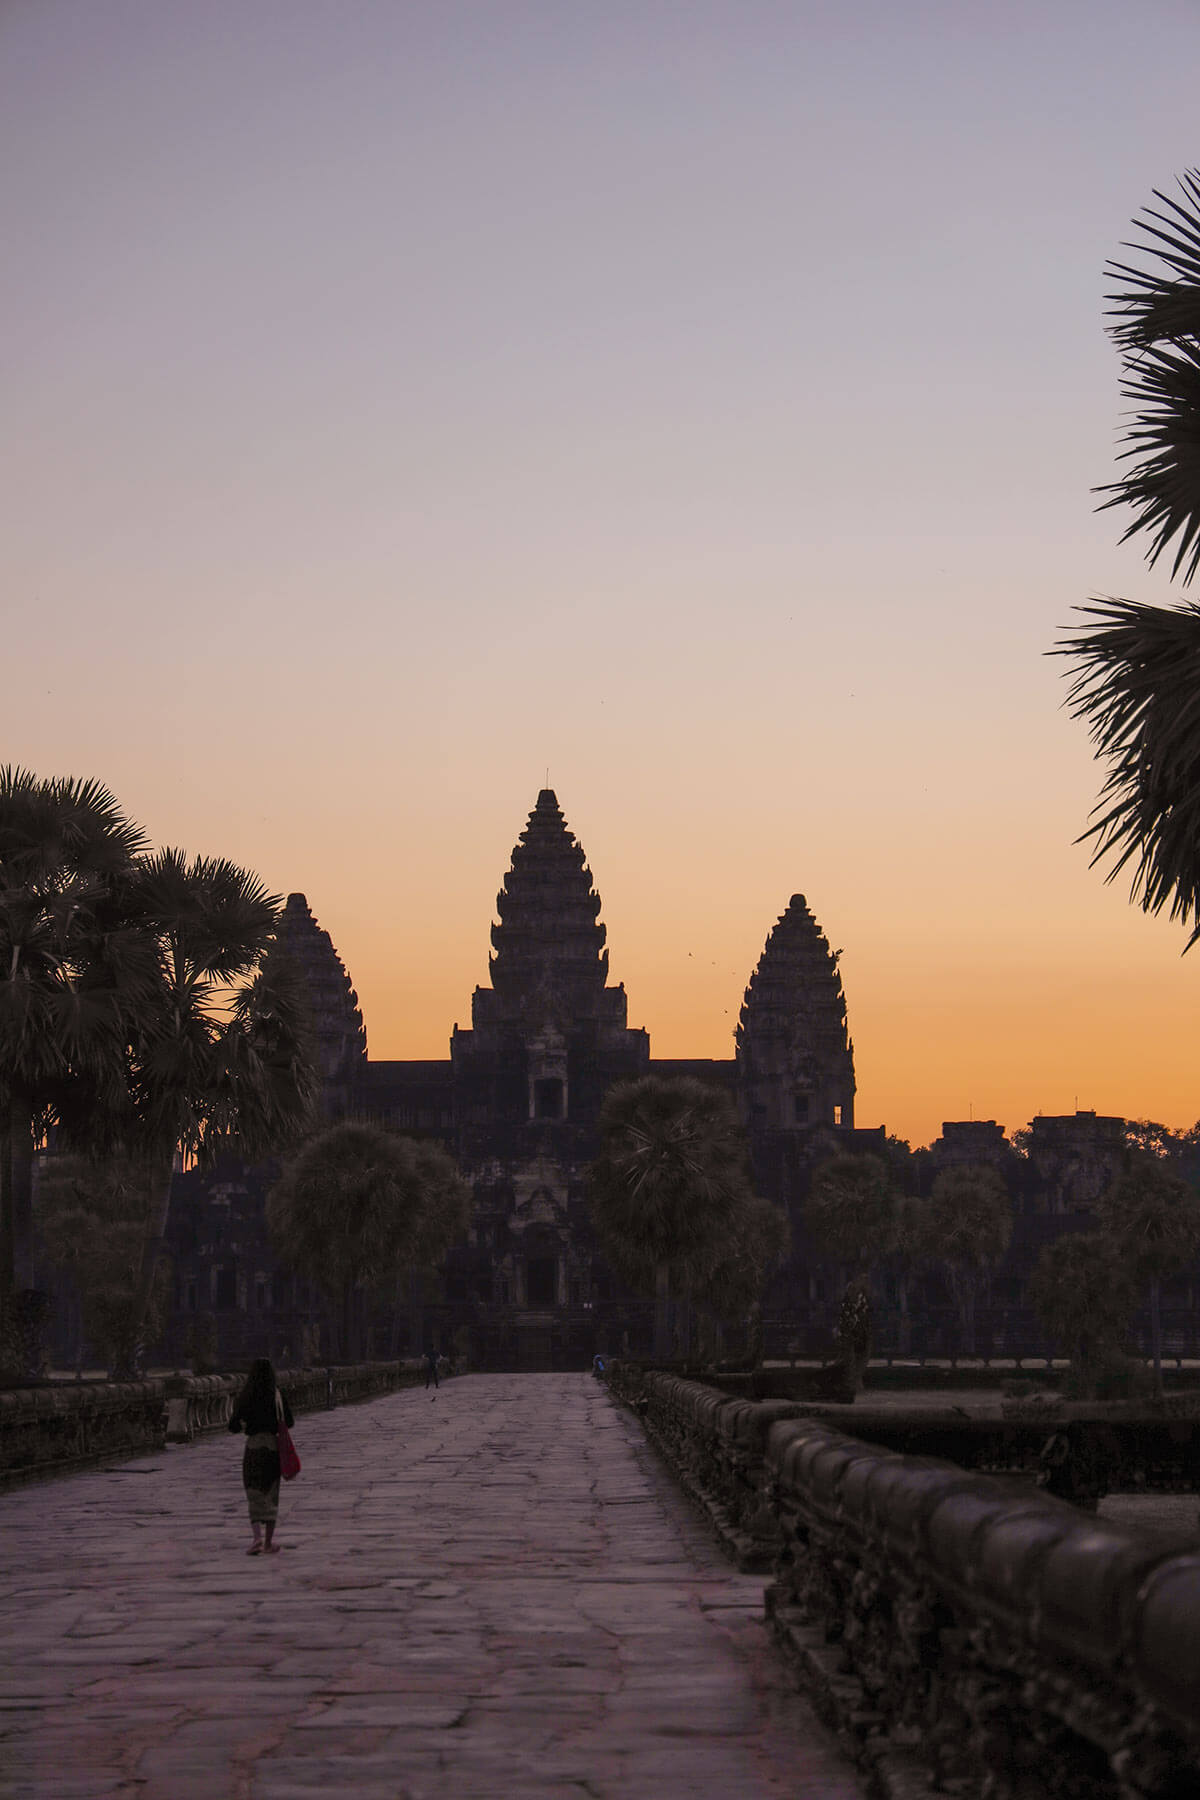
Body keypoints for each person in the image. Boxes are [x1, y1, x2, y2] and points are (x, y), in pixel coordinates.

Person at [228, 1357, 293, 1555]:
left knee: (254, 1491)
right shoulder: (277, 1396)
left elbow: (233, 1425)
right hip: (273, 1447)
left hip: (254, 1446)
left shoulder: (246, 1395)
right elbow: (289, 1422)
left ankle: (256, 1537)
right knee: (271, 1493)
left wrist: (247, 1425)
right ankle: (267, 1542)